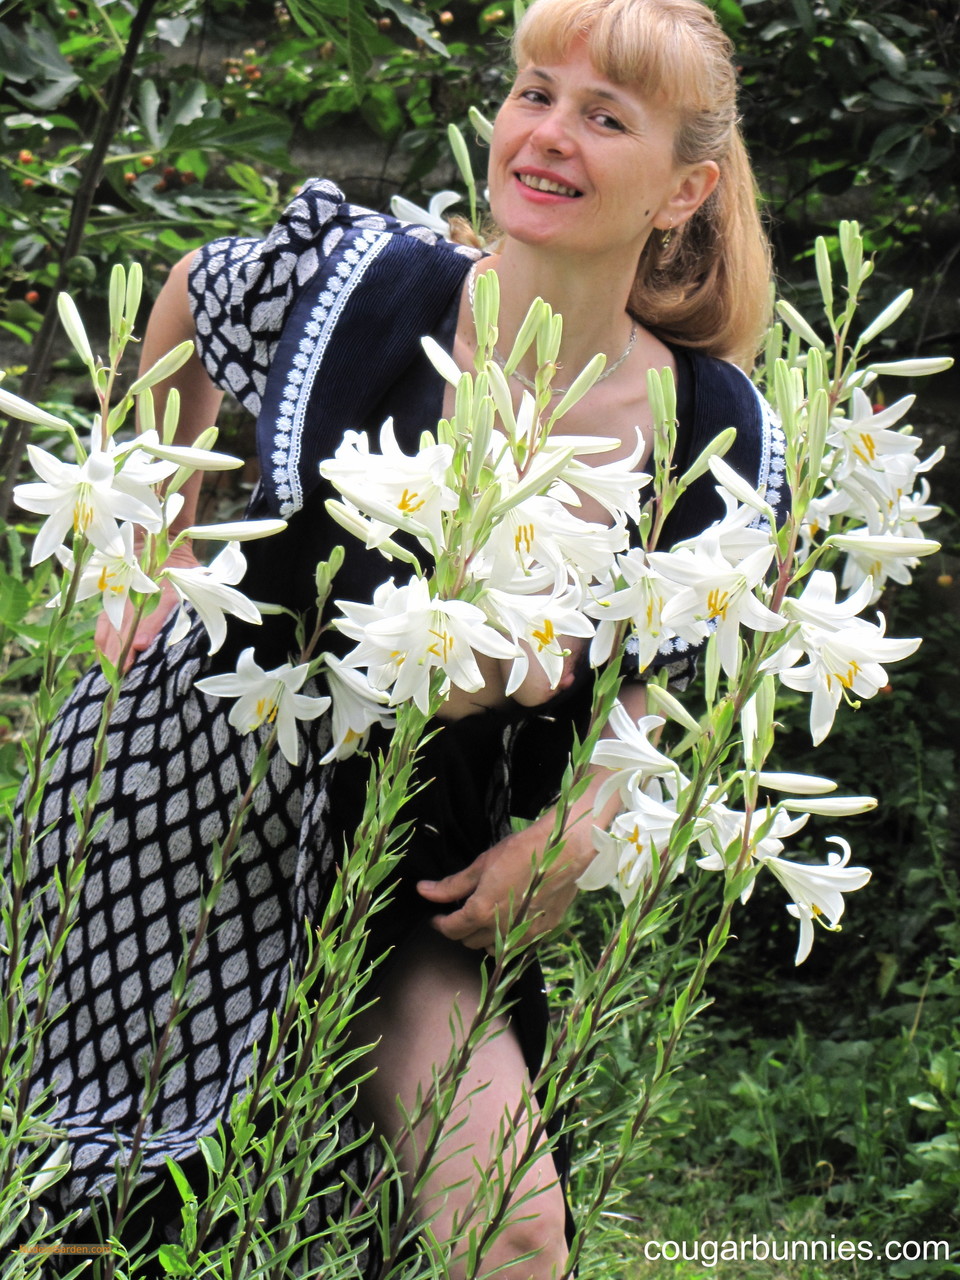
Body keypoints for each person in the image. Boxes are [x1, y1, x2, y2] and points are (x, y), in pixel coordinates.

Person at [13, 0, 786, 1275]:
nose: (548, 132)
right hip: (194, 797)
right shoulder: (365, 289)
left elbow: (665, 671)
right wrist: (149, 529)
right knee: (104, 1211)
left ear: (683, 189)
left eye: (605, 116)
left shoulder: (716, 425)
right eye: (534, 93)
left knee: (514, 1231)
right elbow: (193, 293)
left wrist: (579, 824)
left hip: (417, 855)